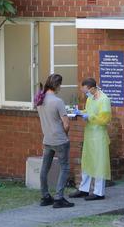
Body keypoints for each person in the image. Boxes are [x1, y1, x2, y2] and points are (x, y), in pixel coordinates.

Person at [36, 74, 74, 208]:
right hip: (60, 140)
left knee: (44, 169)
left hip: (47, 139)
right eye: (60, 85)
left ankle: (45, 196)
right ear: (56, 85)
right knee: (64, 168)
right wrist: (66, 135)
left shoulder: (40, 99)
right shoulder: (58, 101)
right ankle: (59, 198)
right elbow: (66, 123)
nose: (60, 87)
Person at [70, 78, 111, 201]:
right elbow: (88, 111)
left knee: (99, 162)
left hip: (99, 135)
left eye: (86, 90)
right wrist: (80, 112)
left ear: (92, 88)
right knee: (87, 161)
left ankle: (99, 192)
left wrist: (90, 116)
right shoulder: (90, 98)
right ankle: (84, 189)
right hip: (89, 135)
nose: (85, 93)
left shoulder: (104, 100)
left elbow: (105, 119)